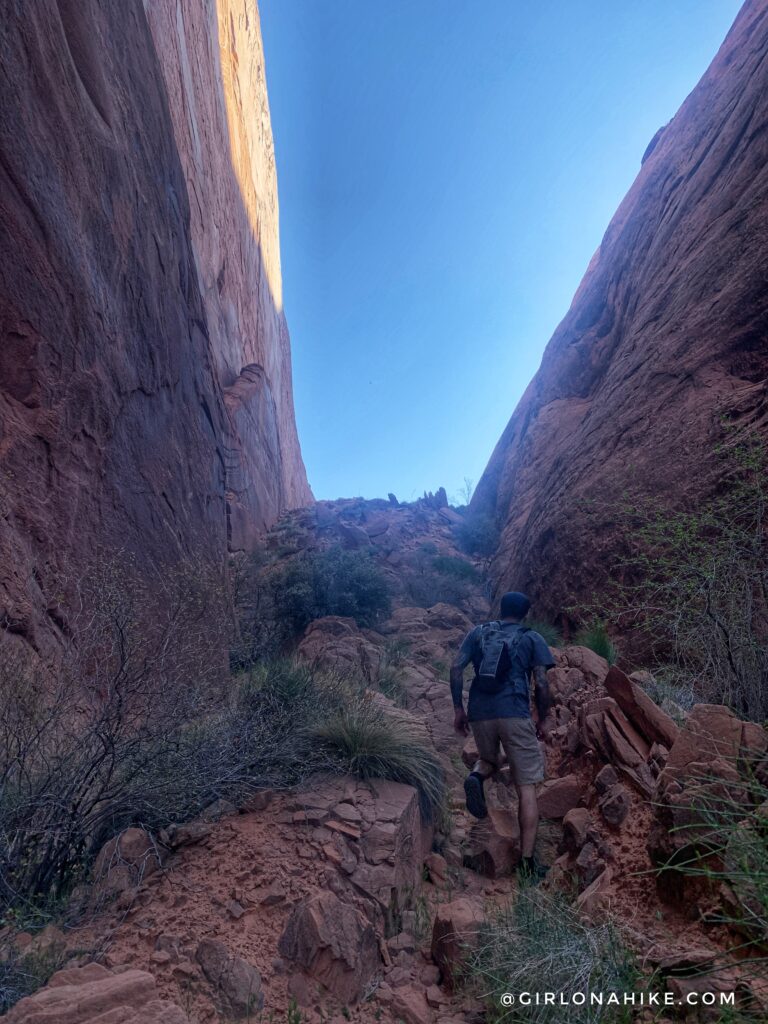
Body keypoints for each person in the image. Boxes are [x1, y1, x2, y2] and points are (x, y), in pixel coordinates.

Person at [450, 590, 554, 882]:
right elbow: (542, 683)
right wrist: (542, 718)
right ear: (525, 614)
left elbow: (456, 667)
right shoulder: (531, 637)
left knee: (489, 759)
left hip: (480, 711)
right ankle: (527, 863)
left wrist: (458, 708)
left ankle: (476, 776)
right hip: (514, 712)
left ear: (501, 609)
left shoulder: (479, 633)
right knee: (527, 786)